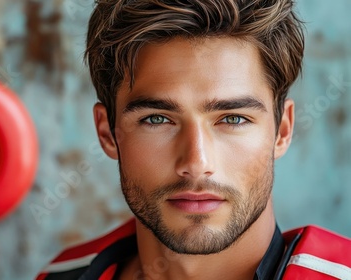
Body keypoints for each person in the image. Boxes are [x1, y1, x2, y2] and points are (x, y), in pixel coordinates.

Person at [37, 1, 351, 279]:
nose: (197, 163)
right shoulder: (62, 276)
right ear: (107, 133)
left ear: (282, 131)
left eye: (233, 119)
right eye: (157, 119)